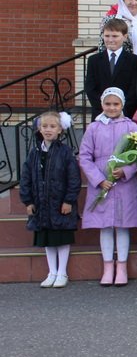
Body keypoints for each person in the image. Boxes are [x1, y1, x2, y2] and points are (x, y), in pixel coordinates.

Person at [79, 88, 137, 286]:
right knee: (105, 225)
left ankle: (122, 267)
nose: (112, 108)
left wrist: (126, 171)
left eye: (116, 104)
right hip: (102, 182)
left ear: (122, 105)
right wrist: (99, 179)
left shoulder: (131, 126)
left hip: (124, 184)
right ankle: (108, 266)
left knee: (122, 225)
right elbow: (84, 156)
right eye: (108, 104)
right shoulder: (93, 128)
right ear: (102, 105)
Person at [21, 111, 80, 288]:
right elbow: (26, 178)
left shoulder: (65, 152)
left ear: (60, 129)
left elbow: (73, 178)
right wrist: (28, 201)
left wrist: (69, 200)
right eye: (44, 126)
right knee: (47, 239)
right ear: (39, 128)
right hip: (41, 204)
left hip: (60, 204)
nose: (48, 130)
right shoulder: (34, 153)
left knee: (61, 238)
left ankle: (62, 272)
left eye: (52, 126)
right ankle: (51, 271)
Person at [86, 19, 137, 120]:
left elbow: (134, 89)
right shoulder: (94, 60)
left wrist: (120, 109)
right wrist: (105, 109)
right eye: (107, 36)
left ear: (124, 37)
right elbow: (90, 88)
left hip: (125, 114)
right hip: (101, 114)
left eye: (115, 36)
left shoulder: (134, 61)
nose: (110, 40)